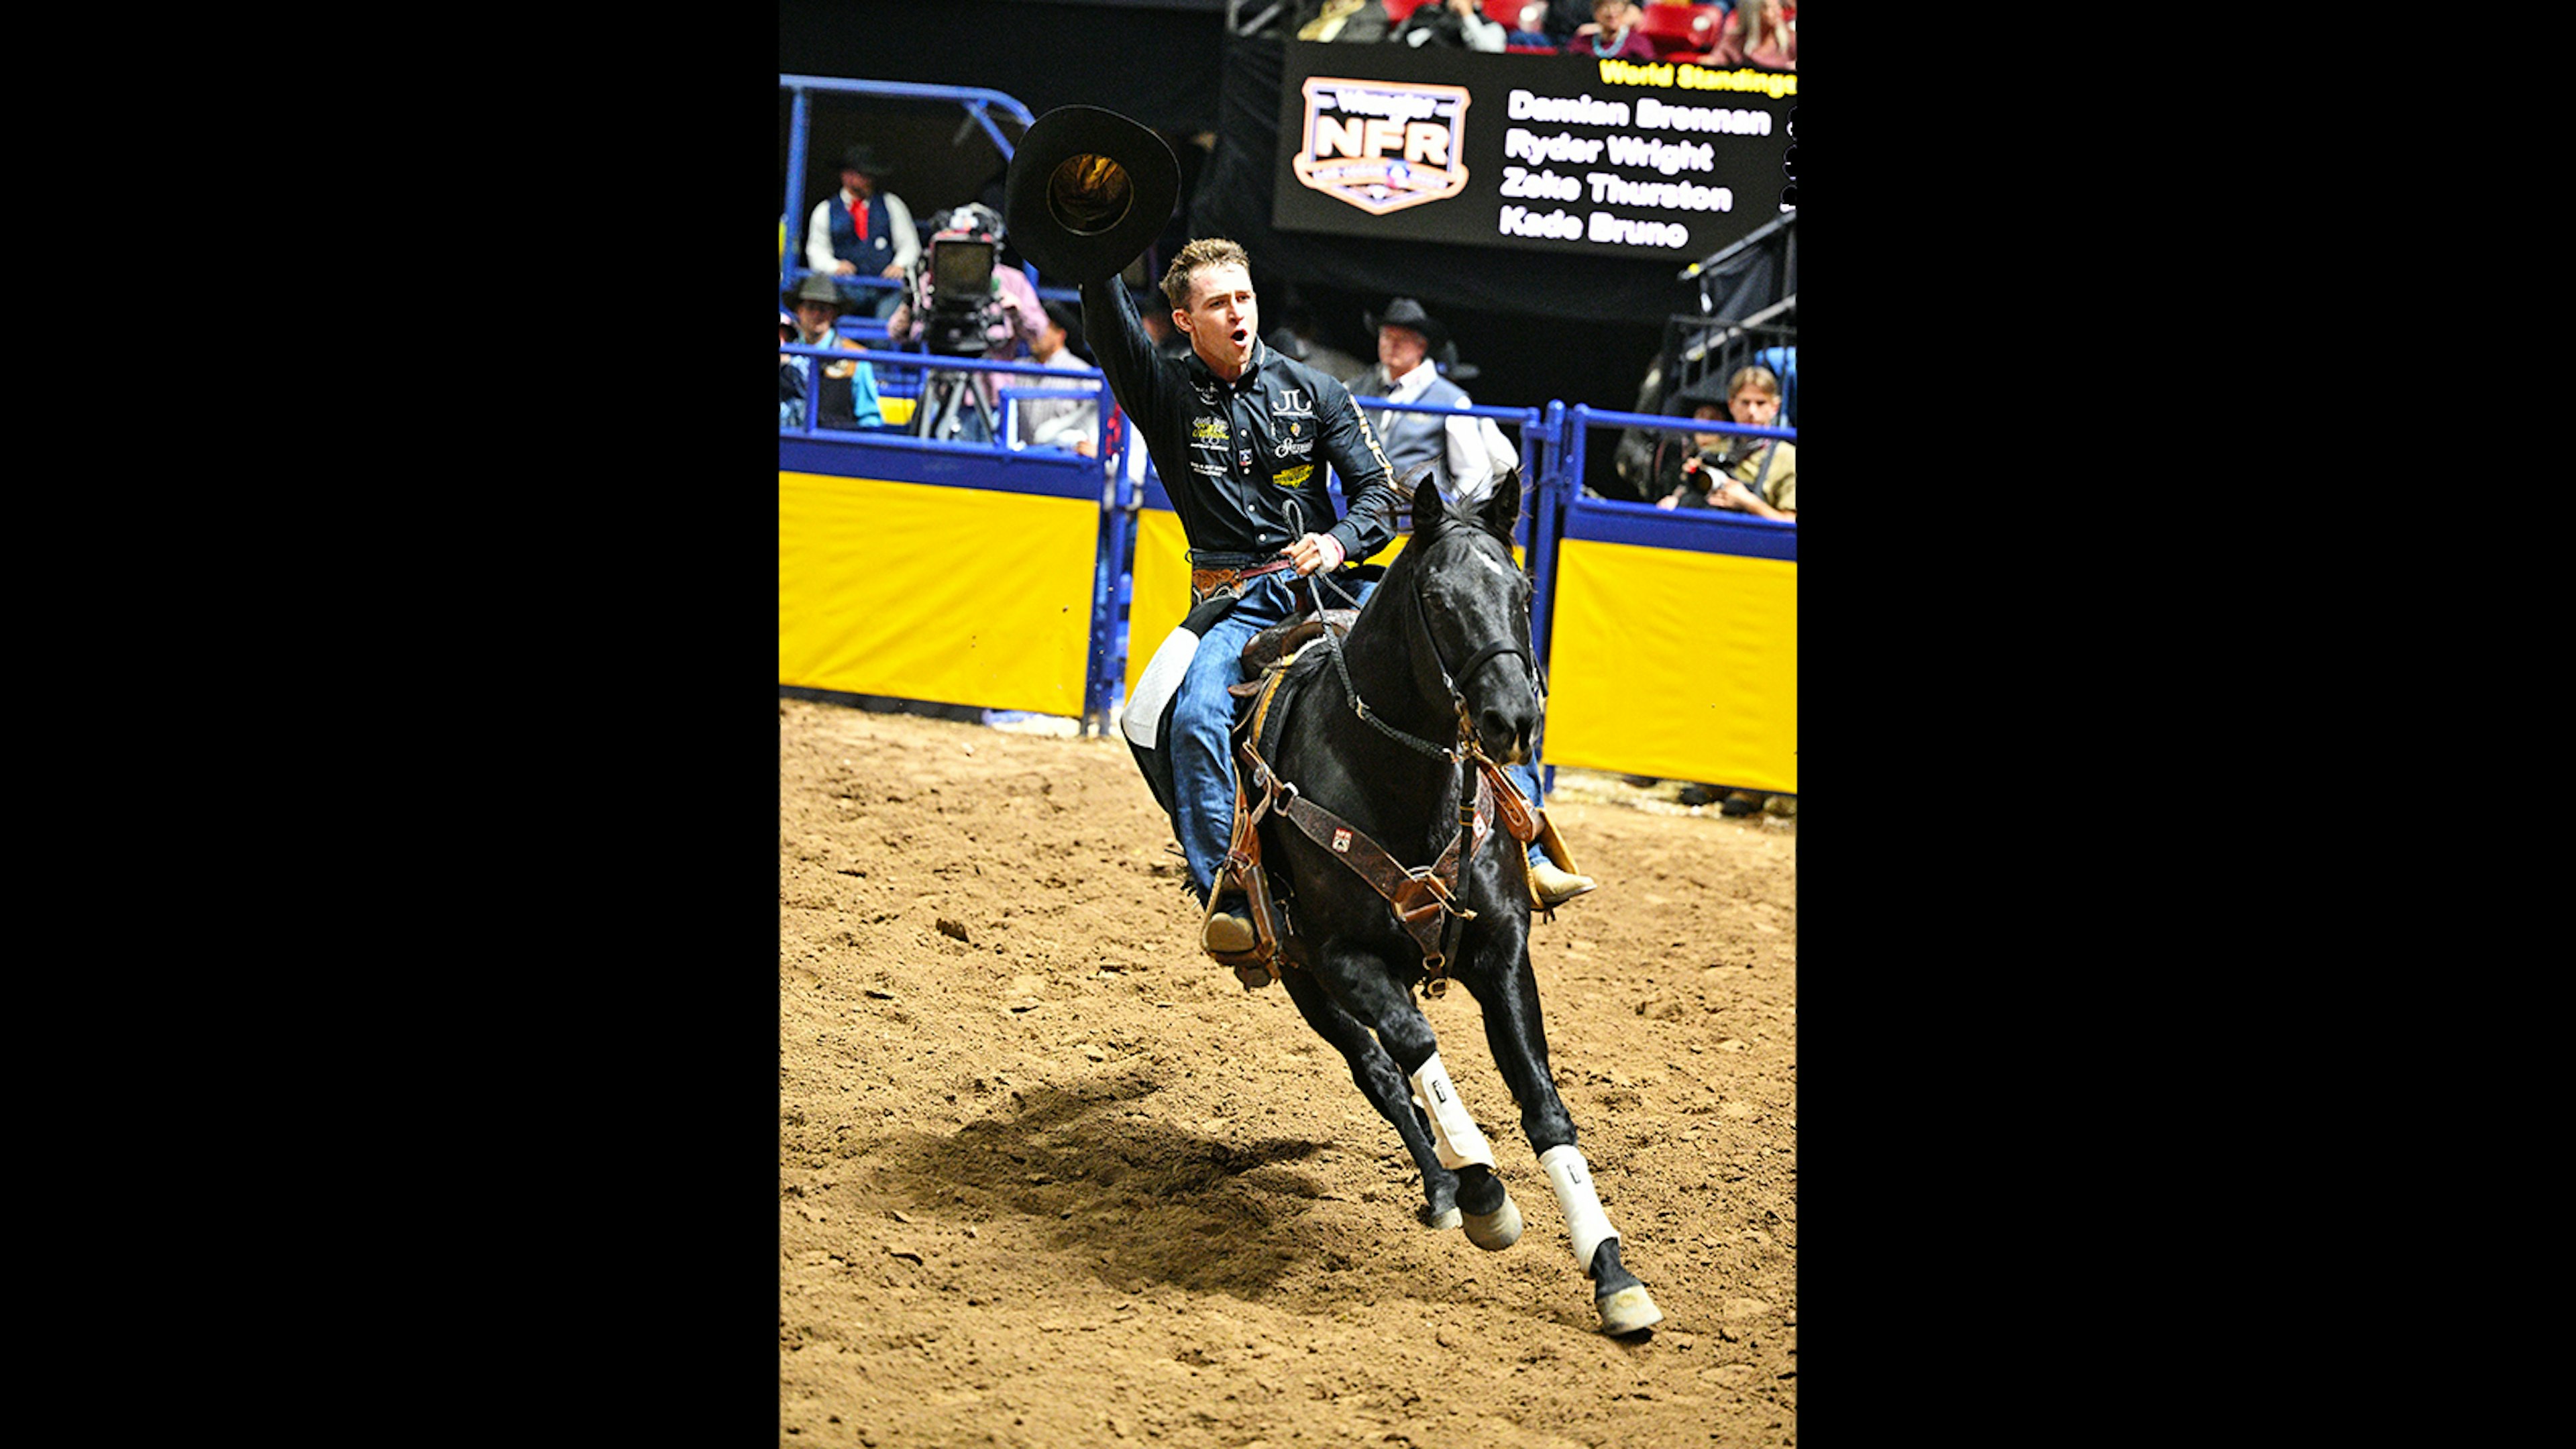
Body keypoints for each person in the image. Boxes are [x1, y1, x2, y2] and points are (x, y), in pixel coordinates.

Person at [892, 203, 1046, 443]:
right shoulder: (929, 282)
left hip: (991, 397)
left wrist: (1017, 312)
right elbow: (896, 332)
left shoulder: (1012, 281)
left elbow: (1040, 332)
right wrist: (910, 307)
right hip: (940, 391)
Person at [1349, 297, 1493, 507]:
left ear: (1421, 346)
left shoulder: (1452, 400)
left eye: (1403, 338)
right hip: (1357, 511)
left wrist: (1452, 517)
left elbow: (1474, 472)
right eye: (1387, 336)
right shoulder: (1353, 389)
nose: (1393, 344)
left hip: (1417, 519)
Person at [1650, 365, 1795, 521]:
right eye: (1745, 403)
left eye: (1760, 403)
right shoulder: (1712, 450)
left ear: (1775, 407)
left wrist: (1749, 502)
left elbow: (1791, 524)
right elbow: (1687, 492)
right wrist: (1675, 501)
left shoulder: (1789, 458)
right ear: (1731, 405)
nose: (1752, 412)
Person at [803, 143, 919, 321]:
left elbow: (909, 245)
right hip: (843, 291)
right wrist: (834, 266)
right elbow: (816, 251)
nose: (869, 180)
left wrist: (900, 265)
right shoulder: (825, 211)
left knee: (887, 326)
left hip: (885, 292)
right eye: (863, 174)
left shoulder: (891, 205)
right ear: (847, 176)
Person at [780, 273, 886, 431]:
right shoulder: (785, 352)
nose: (817, 315)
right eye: (811, 308)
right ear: (799, 311)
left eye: (823, 309)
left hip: (836, 446)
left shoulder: (855, 357)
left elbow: (869, 418)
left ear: (833, 314)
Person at [1016, 299, 1102, 457]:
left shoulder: (1081, 373)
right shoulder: (1019, 368)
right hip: (1022, 462)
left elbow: (1098, 420)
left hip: (1065, 466)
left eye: (1043, 327)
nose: (1035, 332)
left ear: (1060, 335)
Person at [1708, 0, 1796, 68]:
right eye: (1768, 8)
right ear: (1753, 13)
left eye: (1778, 7)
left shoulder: (1791, 39)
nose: (1777, 12)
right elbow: (1714, 60)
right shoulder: (1733, 42)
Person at [1391, 0, 1510, 50]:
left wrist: (1467, 15)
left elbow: (1494, 51)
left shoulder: (1489, 26)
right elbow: (1396, 46)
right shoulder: (1427, 14)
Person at [1564, 0, 1658, 58]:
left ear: (1625, 13)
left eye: (1616, 10)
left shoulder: (1638, 44)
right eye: (1605, 9)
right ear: (1596, 14)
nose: (1612, 14)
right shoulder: (1581, 44)